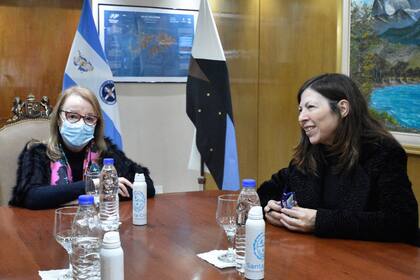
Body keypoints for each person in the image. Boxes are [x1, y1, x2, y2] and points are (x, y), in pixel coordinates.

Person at [258, 73, 419, 243]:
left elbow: (401, 222)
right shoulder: (310, 153)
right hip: (314, 256)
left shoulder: (383, 152)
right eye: (300, 110)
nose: (301, 118)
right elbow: (263, 193)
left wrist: (318, 221)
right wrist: (269, 209)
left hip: (366, 260)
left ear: (342, 109)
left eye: (310, 107)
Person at [10, 86, 155, 210]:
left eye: (89, 118)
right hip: (50, 230)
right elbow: (32, 197)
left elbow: (146, 186)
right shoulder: (38, 152)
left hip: (95, 228)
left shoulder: (104, 151)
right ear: (59, 120)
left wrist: (105, 191)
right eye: (73, 116)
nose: (81, 123)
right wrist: (94, 185)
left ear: (96, 124)